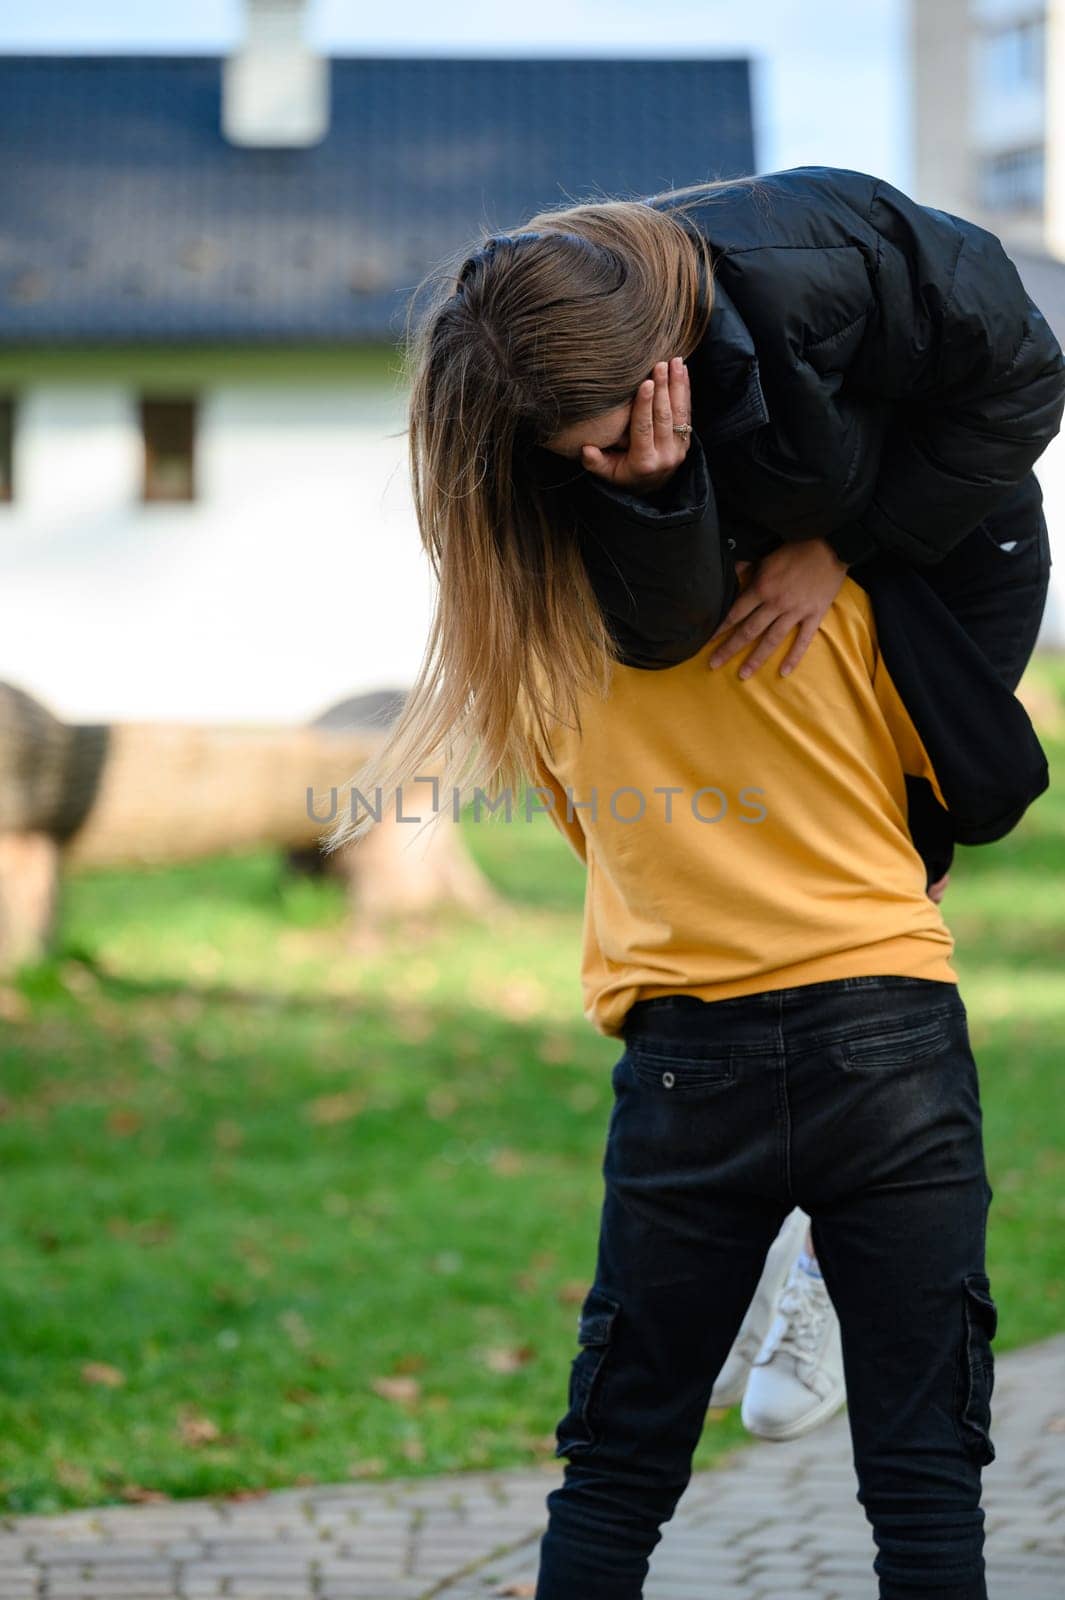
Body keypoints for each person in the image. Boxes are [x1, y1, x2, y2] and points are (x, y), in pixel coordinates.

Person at [320, 165, 1064, 1599]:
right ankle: (811, 1278)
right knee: (922, 1482)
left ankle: (793, 1274)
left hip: (685, 1067)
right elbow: (958, 779)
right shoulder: (839, 614)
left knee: (615, 1472)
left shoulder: (535, 656)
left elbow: (593, 835)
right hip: (887, 1036)